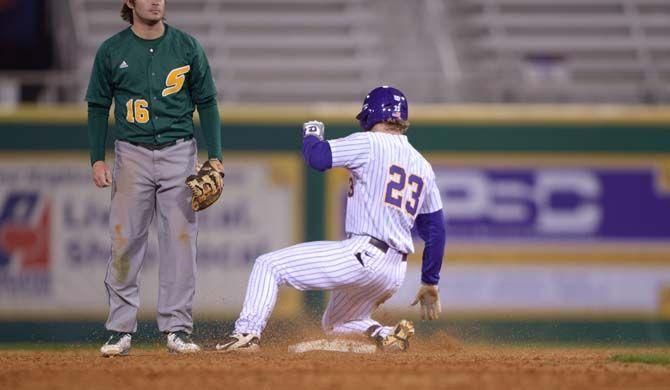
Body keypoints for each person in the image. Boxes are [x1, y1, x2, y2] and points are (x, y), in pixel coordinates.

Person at [216, 86, 446, 352]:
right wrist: (430, 281)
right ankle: (385, 334)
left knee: (269, 266)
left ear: (370, 116)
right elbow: (436, 230)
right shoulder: (423, 166)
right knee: (338, 324)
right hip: (393, 272)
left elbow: (318, 157)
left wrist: (312, 134)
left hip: (364, 255)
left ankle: (246, 334)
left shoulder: (369, 142)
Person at [86, 0, 224, 356]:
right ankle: (120, 330)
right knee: (125, 240)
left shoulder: (187, 46)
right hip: (130, 152)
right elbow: (98, 106)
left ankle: (177, 328)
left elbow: (207, 102)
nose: (156, 1)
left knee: (179, 243)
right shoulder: (112, 50)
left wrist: (216, 156)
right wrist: (96, 160)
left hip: (179, 151)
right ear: (129, 3)